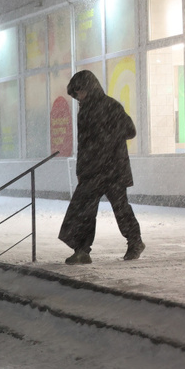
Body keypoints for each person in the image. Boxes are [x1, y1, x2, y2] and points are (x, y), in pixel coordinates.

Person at [58, 70, 144, 265]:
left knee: (120, 208)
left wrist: (106, 138)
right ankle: (82, 250)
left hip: (113, 169)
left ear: (89, 88)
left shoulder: (110, 106)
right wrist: (81, 170)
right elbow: (84, 145)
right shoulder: (85, 110)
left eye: (80, 91)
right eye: (76, 93)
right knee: (83, 211)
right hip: (92, 170)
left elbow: (130, 131)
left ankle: (135, 242)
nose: (78, 96)